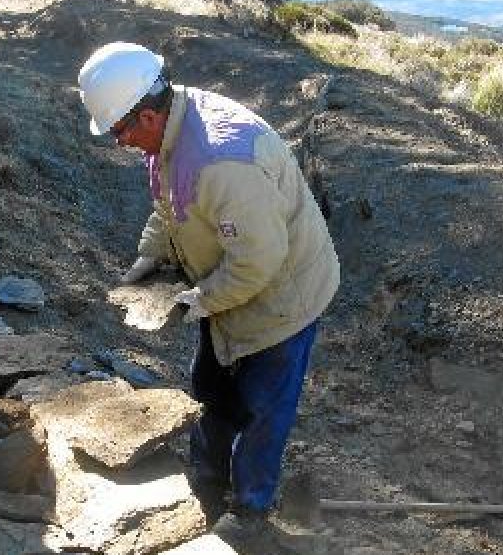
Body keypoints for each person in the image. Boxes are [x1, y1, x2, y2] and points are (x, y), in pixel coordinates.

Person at [78, 42, 340, 544]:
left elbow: (257, 262)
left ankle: (249, 512)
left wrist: (196, 301)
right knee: (212, 392)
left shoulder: (221, 161)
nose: (118, 142)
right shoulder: (171, 131)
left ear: (148, 117)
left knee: (264, 410)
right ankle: (206, 485)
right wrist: (148, 257)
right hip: (231, 287)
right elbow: (169, 202)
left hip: (284, 298)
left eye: (119, 131)